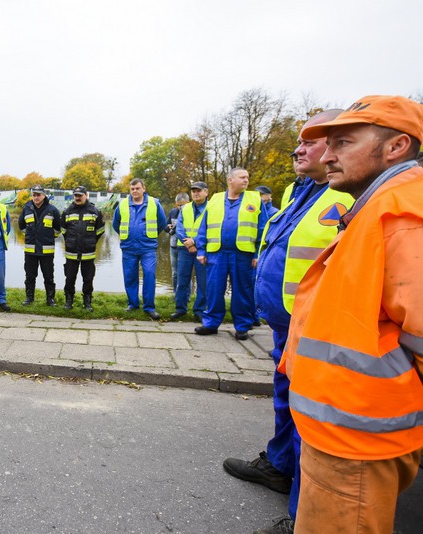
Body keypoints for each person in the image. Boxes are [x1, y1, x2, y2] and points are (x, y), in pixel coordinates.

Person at [278, 95, 423, 533]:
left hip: (359, 435)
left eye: (343, 142)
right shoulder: (377, 205)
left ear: (396, 146)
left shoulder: (403, 215)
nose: (328, 154)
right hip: (344, 427)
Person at [222, 110, 353, 534]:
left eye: (309, 142)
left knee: (309, 415)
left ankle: (303, 518)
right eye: (299, 141)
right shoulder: (303, 190)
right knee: (286, 403)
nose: (298, 148)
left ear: (337, 146)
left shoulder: (351, 194)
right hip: (288, 325)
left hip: (319, 329)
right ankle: (279, 466)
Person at [194, 168, 268, 339]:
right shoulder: (215, 199)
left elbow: (263, 229)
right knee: (214, 289)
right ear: (230, 180)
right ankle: (211, 323)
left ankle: (242, 326)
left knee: (242, 291)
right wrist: (201, 250)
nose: (246, 180)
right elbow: (204, 226)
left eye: (247, 177)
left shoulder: (255, 200)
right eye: (242, 177)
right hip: (216, 253)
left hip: (243, 254)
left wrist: (258, 254)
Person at [112, 178, 167, 320]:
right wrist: (127, 235)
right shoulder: (122, 205)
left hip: (147, 247)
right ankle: (132, 304)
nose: (135, 191)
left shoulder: (155, 204)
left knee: (149, 274)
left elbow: (161, 223)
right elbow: (115, 224)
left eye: (137, 188)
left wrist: (149, 235)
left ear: (144, 188)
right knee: (130, 276)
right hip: (128, 247)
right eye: (132, 189)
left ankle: (149, 307)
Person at [60, 185, 105, 312]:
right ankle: (69, 301)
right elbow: (63, 230)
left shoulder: (95, 211)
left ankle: (87, 302)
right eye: (76, 196)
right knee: (69, 278)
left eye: (80, 195)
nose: (77, 198)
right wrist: (70, 241)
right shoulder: (67, 212)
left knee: (88, 279)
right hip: (71, 252)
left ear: (86, 195)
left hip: (88, 253)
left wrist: (90, 241)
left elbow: (100, 230)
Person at [19, 185, 62, 306]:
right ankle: (29, 298)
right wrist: (30, 236)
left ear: (44, 195)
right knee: (30, 276)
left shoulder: (52, 210)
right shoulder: (26, 208)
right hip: (30, 249)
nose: (36, 197)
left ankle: (50, 299)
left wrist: (49, 237)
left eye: (38, 195)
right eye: (34, 195)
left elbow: (59, 229)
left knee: (48, 276)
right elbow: (21, 226)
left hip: (47, 250)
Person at [171, 181, 208, 321]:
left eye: (199, 190)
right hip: (184, 249)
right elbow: (179, 227)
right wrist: (188, 243)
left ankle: (199, 310)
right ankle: (180, 309)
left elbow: (212, 228)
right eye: (193, 191)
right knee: (182, 279)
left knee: (202, 281)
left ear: (206, 192)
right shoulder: (185, 208)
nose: (196, 193)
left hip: (202, 249)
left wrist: (195, 241)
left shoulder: (212, 208)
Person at [166, 193, 189, 292]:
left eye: (183, 205)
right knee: (174, 273)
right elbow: (165, 227)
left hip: (185, 247)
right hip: (173, 246)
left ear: (188, 203)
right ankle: (175, 294)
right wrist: (169, 227)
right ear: (176, 204)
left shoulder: (191, 213)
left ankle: (187, 295)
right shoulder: (173, 212)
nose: (181, 207)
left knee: (185, 273)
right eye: (179, 205)